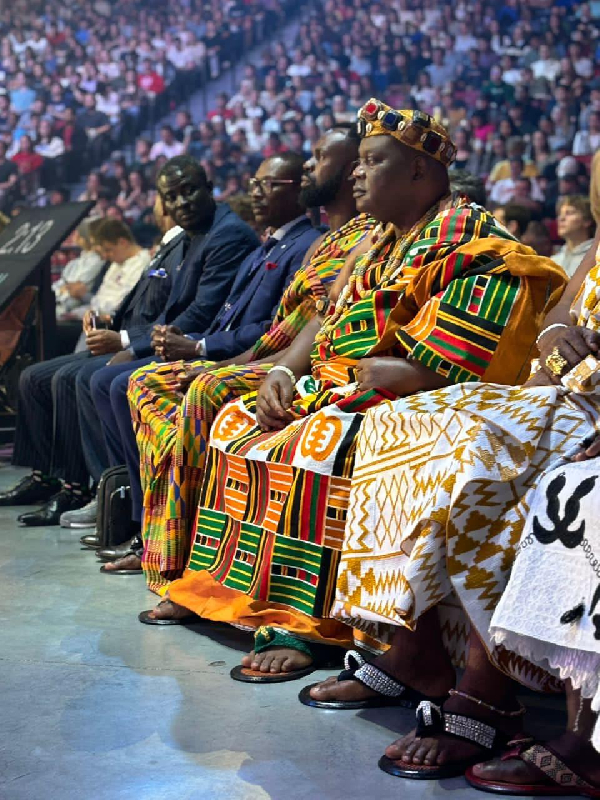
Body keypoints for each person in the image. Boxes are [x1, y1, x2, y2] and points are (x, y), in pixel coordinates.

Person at [139, 100, 566, 678]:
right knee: (238, 423)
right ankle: (235, 599)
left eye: (371, 161)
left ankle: (313, 628)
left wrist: (413, 372)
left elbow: (477, 355)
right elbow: (322, 324)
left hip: (412, 403)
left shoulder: (473, 239)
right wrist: (285, 375)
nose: (356, 174)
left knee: (313, 444)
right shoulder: (377, 242)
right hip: (335, 386)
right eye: (357, 162)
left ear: (419, 170)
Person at [304, 243, 600, 786]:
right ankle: (409, 645)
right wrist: (555, 339)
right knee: (400, 421)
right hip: (560, 388)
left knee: (489, 448)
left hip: (591, 408)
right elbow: (560, 316)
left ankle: (486, 693)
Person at [107, 126, 375, 589]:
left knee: (201, 386)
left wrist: (227, 363)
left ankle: (176, 562)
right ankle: (163, 533)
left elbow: (311, 330)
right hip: (270, 356)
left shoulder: (361, 237)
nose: (310, 165)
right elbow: (283, 328)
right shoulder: (329, 240)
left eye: (318, 157)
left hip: (307, 367)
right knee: (144, 383)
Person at [87, 152, 319, 559]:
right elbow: (220, 314)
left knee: (125, 382)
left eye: (268, 185)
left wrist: (196, 349)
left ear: (299, 189)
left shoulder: (302, 245)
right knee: (108, 378)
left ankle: (156, 524)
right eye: (254, 184)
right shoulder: (265, 245)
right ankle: (130, 506)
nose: (256, 193)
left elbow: (276, 329)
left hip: (249, 359)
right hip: (216, 348)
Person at [58, 155, 259, 534]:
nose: (182, 203)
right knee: (80, 376)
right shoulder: (190, 235)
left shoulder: (227, 234)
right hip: (179, 338)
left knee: (106, 380)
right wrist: (123, 335)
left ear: (209, 187)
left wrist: (132, 346)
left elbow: (199, 314)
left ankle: (135, 511)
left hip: (209, 343)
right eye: (172, 196)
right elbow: (168, 307)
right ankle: (112, 495)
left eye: (189, 191)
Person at [0, 218, 151, 522]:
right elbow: (100, 301)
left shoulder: (145, 260)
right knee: (33, 376)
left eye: (108, 250)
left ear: (121, 241)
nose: (106, 256)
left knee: (69, 378)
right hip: (102, 329)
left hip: (124, 336)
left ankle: (79, 487)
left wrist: (107, 321)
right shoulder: (120, 264)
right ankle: (44, 477)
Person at [53, 218, 105, 319]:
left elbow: (76, 291)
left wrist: (64, 289)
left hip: (72, 308)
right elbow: (59, 285)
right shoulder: (75, 262)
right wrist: (61, 290)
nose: (75, 236)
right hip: (57, 303)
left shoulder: (97, 261)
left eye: (79, 233)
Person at [553, 195, 596, 278]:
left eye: (569, 213)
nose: (561, 218)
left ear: (587, 221)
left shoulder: (596, 257)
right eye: (560, 214)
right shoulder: (554, 260)